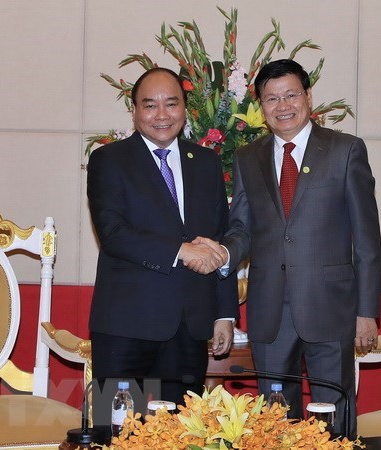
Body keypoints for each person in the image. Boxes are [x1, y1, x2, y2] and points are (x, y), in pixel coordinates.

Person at [194, 59, 381, 436]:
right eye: (271, 98)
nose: (283, 106)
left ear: (308, 96)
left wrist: (366, 311)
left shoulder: (346, 151)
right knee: (274, 417)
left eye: (291, 95)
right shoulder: (249, 158)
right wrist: (226, 252)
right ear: (261, 107)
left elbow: (366, 237)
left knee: (334, 414)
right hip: (270, 308)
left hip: (331, 306)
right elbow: (242, 226)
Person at [87, 67, 239, 406]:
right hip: (125, 326)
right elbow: (113, 233)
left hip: (190, 327)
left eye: (171, 104)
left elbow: (220, 239)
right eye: (150, 105)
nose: (161, 115)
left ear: (185, 109)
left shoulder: (205, 162)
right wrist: (182, 251)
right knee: (115, 433)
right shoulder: (109, 160)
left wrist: (224, 314)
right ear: (135, 110)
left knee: (184, 432)